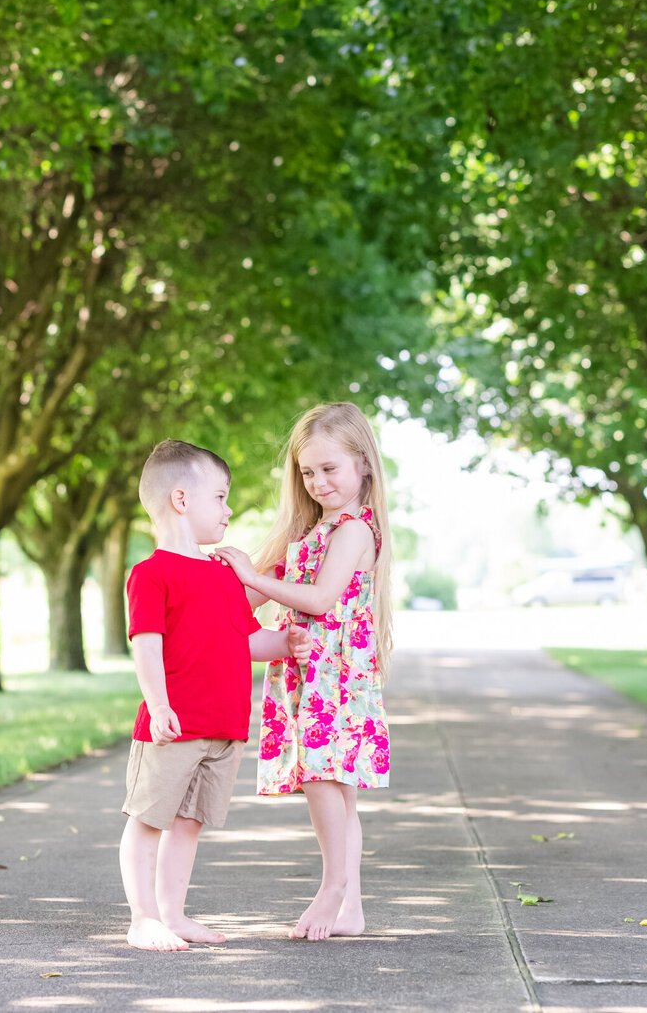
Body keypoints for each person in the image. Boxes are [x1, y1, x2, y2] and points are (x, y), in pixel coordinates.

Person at [120, 437, 313, 952]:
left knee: (188, 825)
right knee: (148, 822)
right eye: (221, 498)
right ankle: (143, 918)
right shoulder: (150, 574)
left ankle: (175, 915)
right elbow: (146, 645)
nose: (228, 511)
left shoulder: (226, 576)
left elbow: (248, 640)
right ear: (181, 500)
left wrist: (286, 643)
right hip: (174, 725)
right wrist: (159, 705)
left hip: (224, 727)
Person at [214, 401, 391, 941]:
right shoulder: (314, 529)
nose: (316, 481)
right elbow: (245, 597)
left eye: (328, 468)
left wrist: (254, 575)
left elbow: (318, 599)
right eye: (307, 471)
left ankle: (333, 887)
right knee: (337, 789)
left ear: (363, 463)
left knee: (321, 777)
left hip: (334, 673)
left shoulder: (356, 530)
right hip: (312, 669)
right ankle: (350, 909)